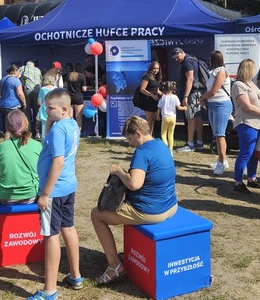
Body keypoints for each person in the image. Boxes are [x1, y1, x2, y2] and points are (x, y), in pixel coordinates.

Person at [90, 116, 177, 285]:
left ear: (138, 134)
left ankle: (114, 266)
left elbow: (135, 184)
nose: (129, 144)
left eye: (129, 139)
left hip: (151, 212)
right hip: (170, 206)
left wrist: (119, 171)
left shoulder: (142, 152)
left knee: (96, 215)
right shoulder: (161, 144)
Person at [28, 88, 82, 300]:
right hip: (68, 186)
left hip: (54, 191)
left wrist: (45, 194)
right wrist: (50, 120)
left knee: (51, 236)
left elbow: (58, 161)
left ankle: (49, 290)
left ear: (64, 109)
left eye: (50, 109)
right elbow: (48, 142)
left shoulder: (59, 130)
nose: (46, 112)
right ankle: (76, 276)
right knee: (68, 227)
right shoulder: (71, 124)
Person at [231, 59, 260, 194]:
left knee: (254, 153)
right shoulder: (238, 85)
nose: (255, 71)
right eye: (253, 68)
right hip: (246, 123)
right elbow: (246, 106)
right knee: (246, 153)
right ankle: (238, 182)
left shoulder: (250, 83)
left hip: (257, 123)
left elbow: (259, 100)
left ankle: (252, 178)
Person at [0, 109, 41, 204]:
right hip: (31, 194)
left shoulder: (2, 146)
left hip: (6, 196)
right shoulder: (37, 145)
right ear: (26, 124)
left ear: (7, 128)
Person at [200, 51, 232, 175]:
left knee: (220, 134)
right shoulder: (213, 72)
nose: (209, 61)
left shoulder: (221, 72)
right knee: (216, 134)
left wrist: (202, 97)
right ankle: (222, 159)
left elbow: (214, 91)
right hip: (213, 104)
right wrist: (205, 98)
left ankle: (221, 163)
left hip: (221, 104)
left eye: (210, 59)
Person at [172, 47, 205, 152]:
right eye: (175, 58)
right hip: (197, 92)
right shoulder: (192, 59)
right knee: (197, 116)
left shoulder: (187, 62)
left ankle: (190, 144)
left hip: (191, 93)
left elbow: (190, 78)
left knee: (190, 117)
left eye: (177, 57)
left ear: (182, 53)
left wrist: (185, 96)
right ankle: (199, 142)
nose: (176, 59)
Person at [0, 65, 26, 141]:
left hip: (3, 105)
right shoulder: (16, 80)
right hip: (13, 106)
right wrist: (24, 103)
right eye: (19, 71)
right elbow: (20, 93)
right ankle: (16, 141)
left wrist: (3, 95)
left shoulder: (3, 79)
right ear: (15, 71)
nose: (19, 73)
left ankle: (6, 142)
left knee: (7, 126)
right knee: (15, 126)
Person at [157, 81, 185, 154]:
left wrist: (157, 115)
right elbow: (178, 107)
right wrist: (185, 108)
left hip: (165, 117)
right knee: (171, 134)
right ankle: (170, 150)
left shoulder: (163, 97)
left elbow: (159, 107)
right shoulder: (175, 97)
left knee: (163, 134)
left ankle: (165, 148)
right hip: (173, 117)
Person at [19, 60, 42, 138]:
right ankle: (37, 131)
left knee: (26, 109)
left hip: (28, 90)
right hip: (37, 91)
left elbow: (17, 76)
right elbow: (40, 79)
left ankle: (28, 130)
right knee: (37, 111)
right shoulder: (38, 70)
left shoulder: (23, 68)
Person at [138, 61, 162, 129]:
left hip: (155, 101)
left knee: (153, 120)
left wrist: (165, 96)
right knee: (149, 120)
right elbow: (142, 89)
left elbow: (157, 90)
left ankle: (150, 134)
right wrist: (152, 95)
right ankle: (147, 134)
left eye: (157, 69)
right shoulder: (147, 76)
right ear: (151, 68)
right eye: (154, 68)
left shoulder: (156, 77)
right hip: (148, 101)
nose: (156, 70)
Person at [36, 74, 56, 142]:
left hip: (45, 109)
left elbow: (39, 100)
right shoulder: (56, 89)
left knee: (44, 127)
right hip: (55, 109)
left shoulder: (42, 89)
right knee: (54, 126)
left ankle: (44, 142)